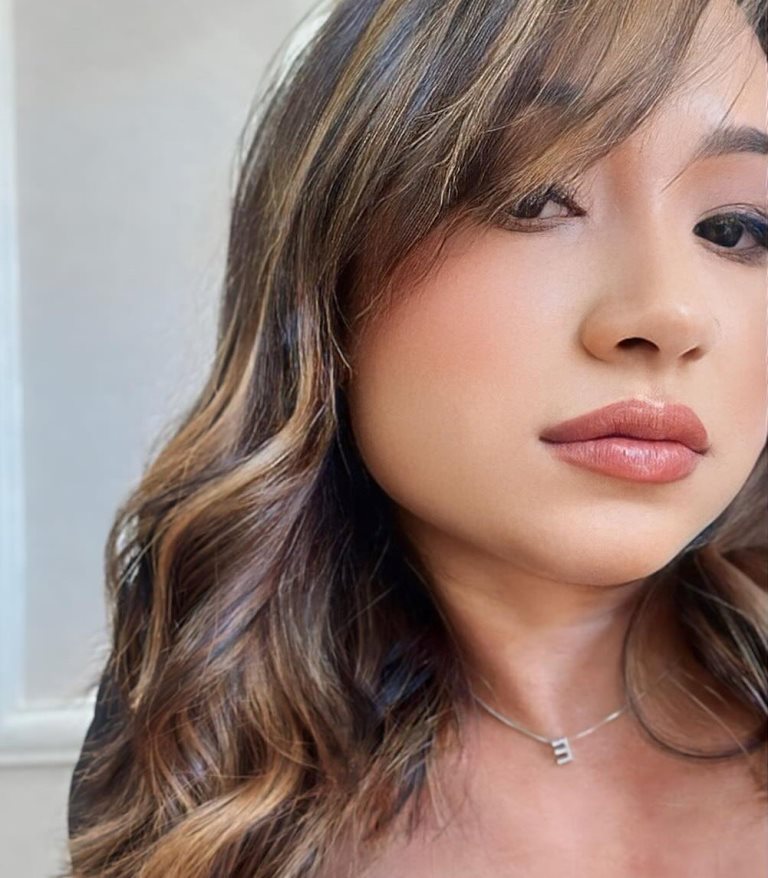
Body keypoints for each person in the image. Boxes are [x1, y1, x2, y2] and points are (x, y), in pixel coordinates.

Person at [65, 0, 767, 875]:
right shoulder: (200, 744)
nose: (668, 315)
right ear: (328, 266)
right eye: (533, 196)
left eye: (735, 229)